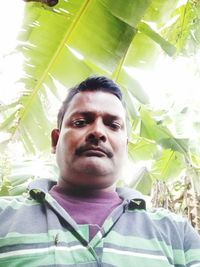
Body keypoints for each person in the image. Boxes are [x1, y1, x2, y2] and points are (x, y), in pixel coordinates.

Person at [0, 76, 200, 267]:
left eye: (113, 125)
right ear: (55, 140)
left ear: (126, 146)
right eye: (80, 122)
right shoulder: (4, 216)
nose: (98, 132)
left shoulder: (176, 232)